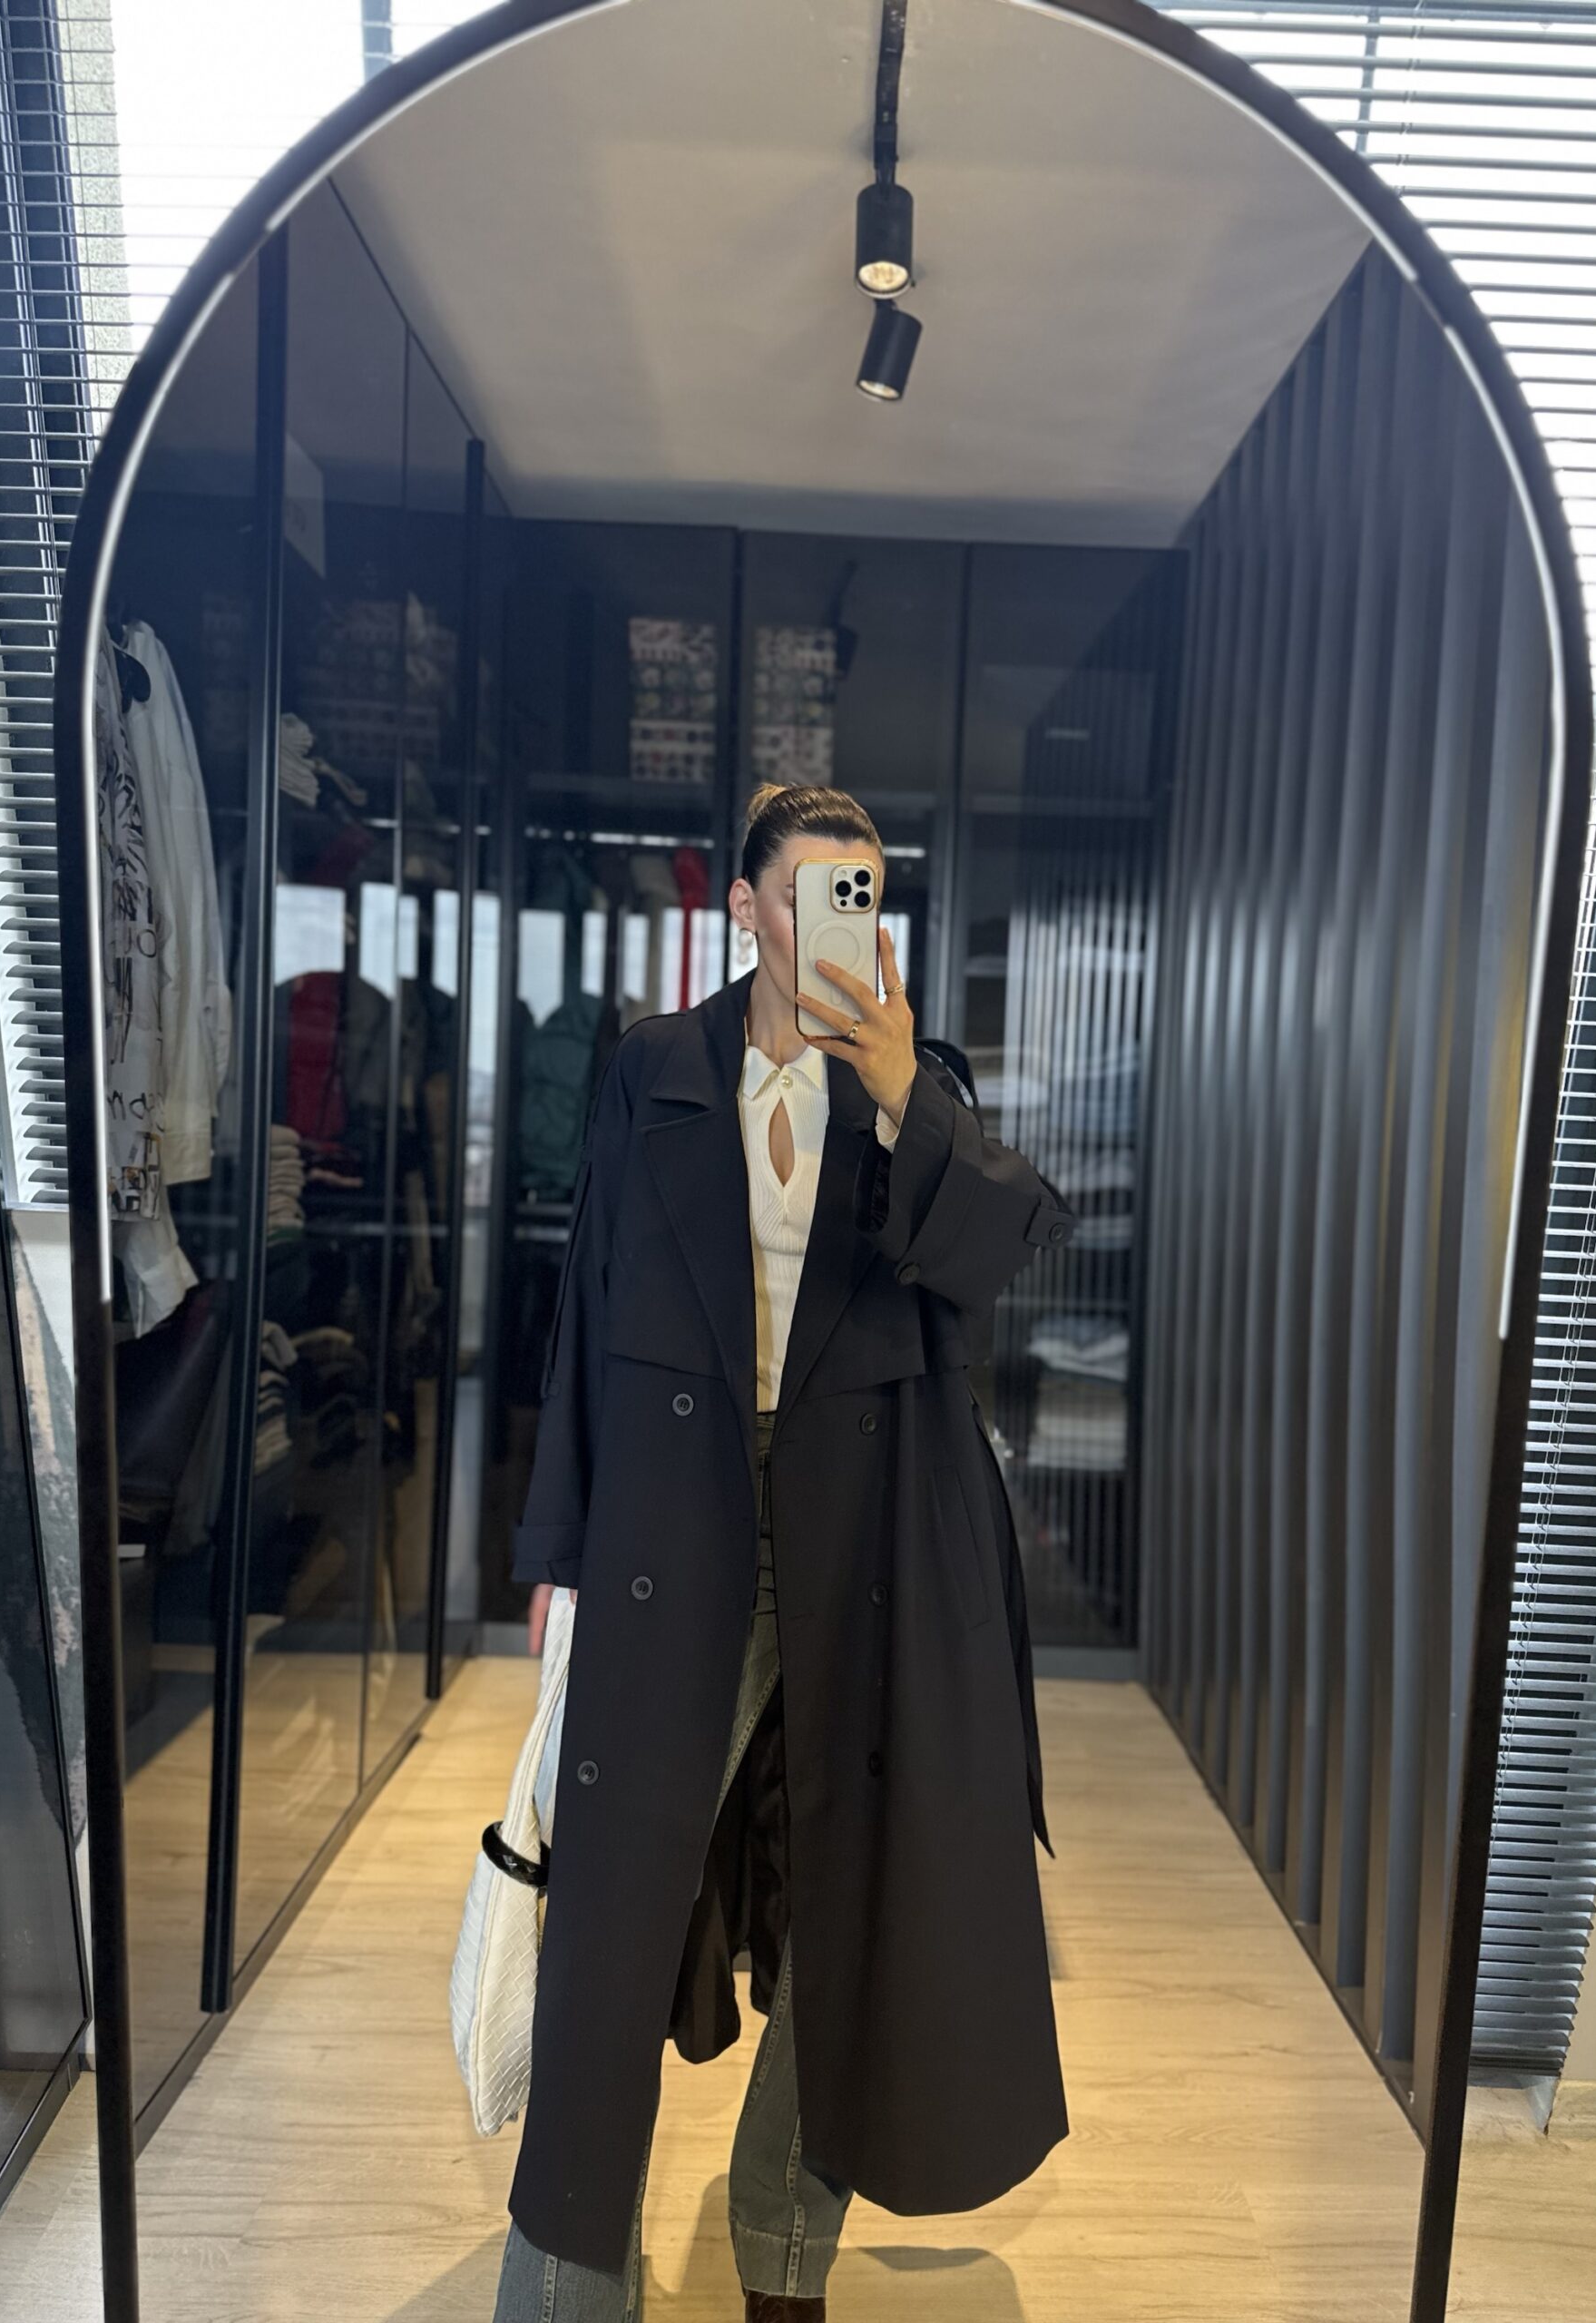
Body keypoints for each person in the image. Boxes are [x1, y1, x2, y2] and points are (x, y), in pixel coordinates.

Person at [493, 781, 1076, 2323]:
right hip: (676, 1530)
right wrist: (558, 1551)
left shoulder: (913, 1084)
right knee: (615, 1923)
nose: (841, 921)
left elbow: (1006, 1250)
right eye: (816, 890)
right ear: (748, 908)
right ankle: (565, 2289)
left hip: (873, 1541)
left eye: (864, 894)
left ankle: (785, 2268)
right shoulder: (654, 1069)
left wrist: (898, 1094)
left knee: (851, 1914)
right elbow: (588, 1306)